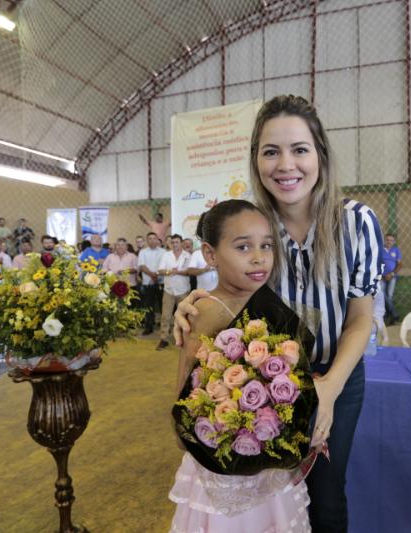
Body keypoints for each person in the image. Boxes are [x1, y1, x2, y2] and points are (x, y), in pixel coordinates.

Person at [173, 95, 382, 531]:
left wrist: (329, 389)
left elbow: (361, 317)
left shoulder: (356, 222)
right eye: (271, 152)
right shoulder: (253, 225)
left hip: (339, 375)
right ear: (256, 160)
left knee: (326, 499)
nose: (286, 165)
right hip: (267, 382)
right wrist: (193, 305)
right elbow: (228, 289)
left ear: (320, 154)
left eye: (299, 149)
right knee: (275, 499)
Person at [169, 199, 310, 531]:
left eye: (266, 246)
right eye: (243, 247)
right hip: (224, 458)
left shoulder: (268, 300)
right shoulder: (206, 310)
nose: (259, 257)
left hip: (268, 449)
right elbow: (185, 387)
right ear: (210, 254)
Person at [156, 234, 191, 350]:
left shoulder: (187, 256)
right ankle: (163, 339)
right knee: (165, 316)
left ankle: (184, 338)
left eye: (177, 242)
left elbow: (190, 272)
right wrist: (169, 272)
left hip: (183, 290)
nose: (175, 244)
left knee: (184, 316)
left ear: (181, 243)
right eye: (173, 242)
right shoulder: (166, 255)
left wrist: (178, 272)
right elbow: (160, 270)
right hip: (169, 290)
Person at [138, 232, 166, 335]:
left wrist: (157, 275)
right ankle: (149, 326)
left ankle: (164, 327)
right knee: (149, 306)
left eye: (154, 238)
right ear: (147, 240)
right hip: (148, 283)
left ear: (157, 240)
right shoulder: (143, 252)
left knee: (163, 306)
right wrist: (152, 275)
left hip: (161, 282)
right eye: (150, 238)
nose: (152, 240)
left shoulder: (164, 252)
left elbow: (164, 265)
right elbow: (142, 266)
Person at [186, 212, 218, 292]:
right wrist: (204, 270)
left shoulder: (224, 250)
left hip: (224, 293)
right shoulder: (197, 253)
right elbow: (190, 271)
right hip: (203, 292)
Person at [380, 233, 402, 325]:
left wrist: (392, 274)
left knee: (389, 296)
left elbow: (399, 264)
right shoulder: (380, 249)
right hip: (381, 277)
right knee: (381, 295)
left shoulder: (396, 250)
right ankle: (394, 314)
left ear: (394, 242)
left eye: (391, 240)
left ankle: (387, 317)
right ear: (384, 240)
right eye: (387, 240)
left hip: (392, 277)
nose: (389, 242)